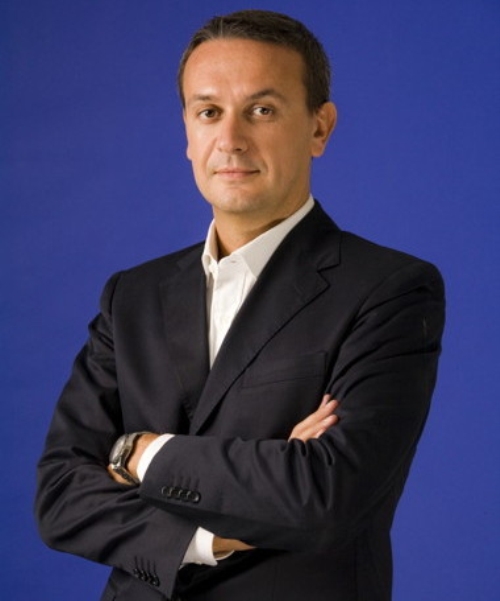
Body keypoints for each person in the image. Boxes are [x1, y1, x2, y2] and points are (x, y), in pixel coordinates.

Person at [35, 9, 445, 601]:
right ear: (188, 132)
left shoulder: (390, 288)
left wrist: (139, 453)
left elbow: (325, 497)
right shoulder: (133, 296)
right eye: (209, 112)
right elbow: (59, 494)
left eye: (262, 110)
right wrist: (210, 536)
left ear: (320, 128)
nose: (230, 139)